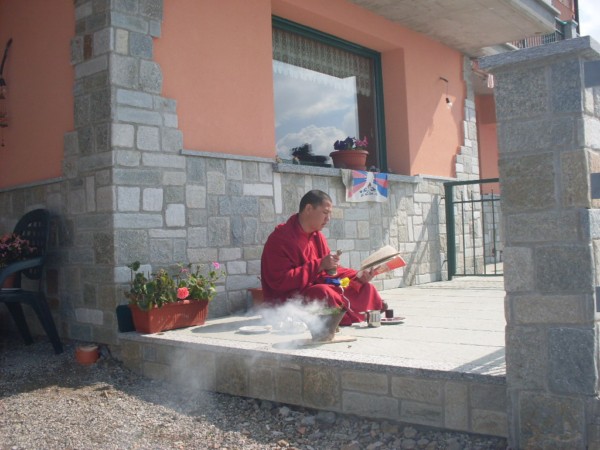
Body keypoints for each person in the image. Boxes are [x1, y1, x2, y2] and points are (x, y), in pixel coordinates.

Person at [260, 189, 383, 325]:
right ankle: (348, 316)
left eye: (329, 214)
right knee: (322, 292)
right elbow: (280, 281)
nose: (328, 219)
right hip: (290, 301)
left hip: (317, 287)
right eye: (325, 213)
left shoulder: (317, 236)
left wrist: (358, 275)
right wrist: (319, 265)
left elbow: (331, 272)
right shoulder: (280, 239)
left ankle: (367, 312)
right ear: (308, 209)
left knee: (365, 287)